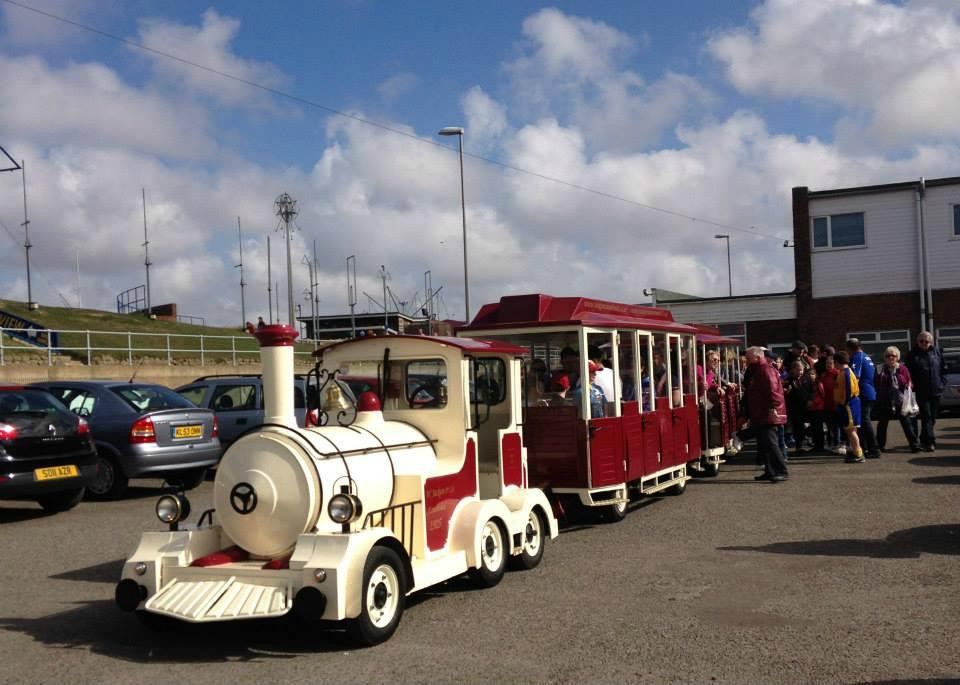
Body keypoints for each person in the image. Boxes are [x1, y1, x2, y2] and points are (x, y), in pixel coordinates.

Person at [745, 346, 788, 482]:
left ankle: (781, 470)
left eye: (748, 358)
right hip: (761, 414)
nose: (746, 361)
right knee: (765, 445)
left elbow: (773, 391)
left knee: (771, 443)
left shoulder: (765, 370)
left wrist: (773, 408)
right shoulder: (758, 370)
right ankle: (770, 471)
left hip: (767, 414)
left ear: (757, 357)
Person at [905, 331, 947, 452]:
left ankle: (923, 439)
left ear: (931, 342)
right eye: (921, 341)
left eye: (926, 341)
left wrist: (942, 383)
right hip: (920, 392)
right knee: (927, 416)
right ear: (917, 342)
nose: (924, 343)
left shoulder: (937, 353)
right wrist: (911, 385)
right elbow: (908, 373)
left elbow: (943, 370)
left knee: (932, 417)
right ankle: (930, 442)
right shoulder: (912, 354)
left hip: (935, 391)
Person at [874, 346, 919, 453]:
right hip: (885, 400)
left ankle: (914, 445)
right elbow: (876, 383)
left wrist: (898, 376)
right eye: (888, 356)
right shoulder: (879, 368)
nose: (890, 358)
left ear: (897, 357)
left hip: (900, 400)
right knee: (882, 424)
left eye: (893, 356)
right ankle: (880, 446)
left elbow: (909, 384)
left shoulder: (902, 368)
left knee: (907, 423)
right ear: (884, 358)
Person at [846, 338, 880, 458]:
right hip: (870, 392)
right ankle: (864, 447)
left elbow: (855, 377)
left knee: (865, 422)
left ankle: (874, 449)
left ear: (850, 349)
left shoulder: (857, 357)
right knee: (862, 422)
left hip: (864, 393)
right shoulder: (866, 356)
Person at [833, 350, 864, 463]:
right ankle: (853, 451)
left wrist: (844, 403)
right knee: (849, 430)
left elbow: (849, 390)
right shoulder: (844, 372)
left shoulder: (846, 373)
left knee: (851, 430)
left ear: (837, 362)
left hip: (849, 405)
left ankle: (858, 454)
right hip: (848, 404)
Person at [783, 360, 811, 455]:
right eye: (798, 370)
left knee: (805, 427)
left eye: (802, 370)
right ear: (793, 370)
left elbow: (811, 390)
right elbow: (785, 393)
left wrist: (810, 399)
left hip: (805, 406)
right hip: (794, 408)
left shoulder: (806, 379)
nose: (800, 372)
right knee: (797, 427)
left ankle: (804, 444)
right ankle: (798, 447)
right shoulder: (789, 380)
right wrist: (787, 391)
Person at [806, 366, 827, 452]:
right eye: (808, 374)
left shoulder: (818, 384)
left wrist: (813, 402)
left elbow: (823, 396)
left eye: (812, 374)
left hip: (818, 409)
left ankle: (820, 446)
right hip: (812, 409)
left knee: (818, 428)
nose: (810, 376)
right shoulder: (808, 384)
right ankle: (816, 446)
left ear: (816, 375)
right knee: (814, 428)